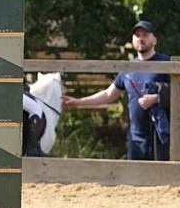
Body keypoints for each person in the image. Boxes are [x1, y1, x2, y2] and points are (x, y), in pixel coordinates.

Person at [62, 21, 170, 160]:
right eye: (137, 35)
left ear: (155, 39)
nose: (141, 39)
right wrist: (78, 102)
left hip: (162, 135)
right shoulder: (127, 69)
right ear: (132, 40)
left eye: (145, 35)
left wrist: (156, 98)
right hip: (136, 136)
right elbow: (108, 94)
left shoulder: (167, 64)